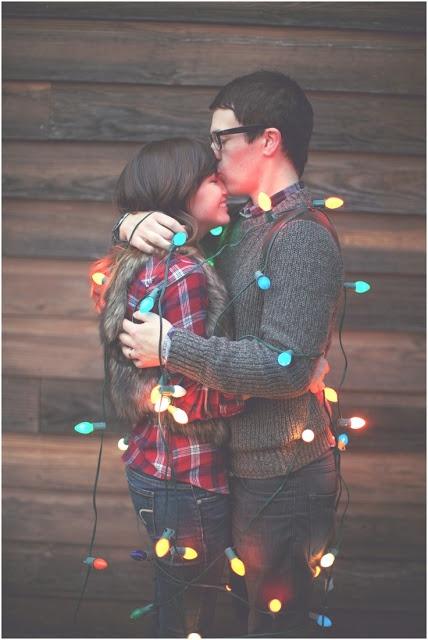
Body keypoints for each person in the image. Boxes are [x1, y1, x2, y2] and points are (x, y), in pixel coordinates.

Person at [114, 71, 344, 636]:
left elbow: (286, 367)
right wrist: (130, 222)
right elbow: (176, 225)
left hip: (285, 473)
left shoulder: (301, 236)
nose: (213, 152)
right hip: (239, 466)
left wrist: (171, 346)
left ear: (268, 140)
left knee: (273, 626)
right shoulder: (243, 224)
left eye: (221, 138)